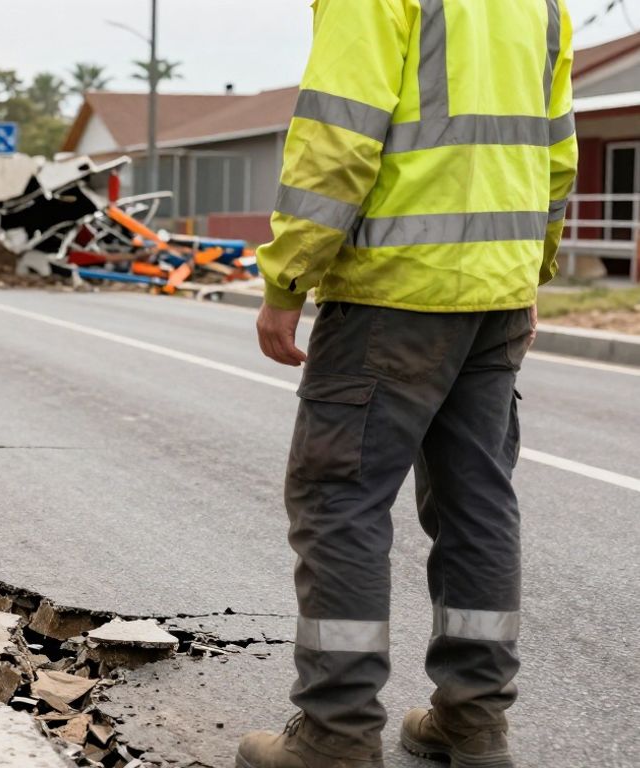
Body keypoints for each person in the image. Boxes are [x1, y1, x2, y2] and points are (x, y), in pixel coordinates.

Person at [240, 0, 577, 766]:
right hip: (497, 293)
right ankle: (474, 721)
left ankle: (337, 732)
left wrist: (287, 279)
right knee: (477, 506)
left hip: (394, 291)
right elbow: (559, 152)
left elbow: (338, 141)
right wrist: (533, 268)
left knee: (339, 504)